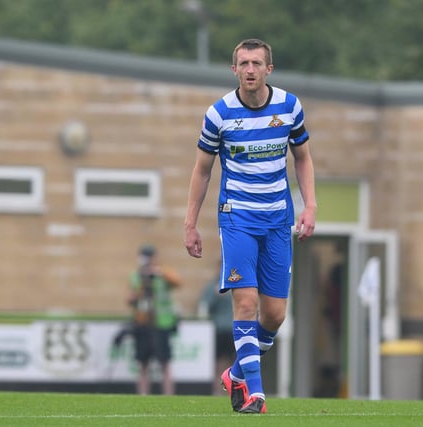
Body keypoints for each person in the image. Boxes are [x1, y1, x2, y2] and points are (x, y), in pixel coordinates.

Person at [184, 38, 316, 414]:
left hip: (278, 218)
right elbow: (202, 171)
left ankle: (236, 373)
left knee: (274, 315)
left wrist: (310, 206)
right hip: (237, 217)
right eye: (243, 63)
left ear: (269, 69)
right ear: (234, 70)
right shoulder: (219, 114)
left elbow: (303, 159)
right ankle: (255, 393)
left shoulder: (289, 107)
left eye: (257, 63)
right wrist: (190, 223)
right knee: (246, 302)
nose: (250, 70)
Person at [127, 244, 181, 395]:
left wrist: (159, 272)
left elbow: (178, 282)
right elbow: (130, 298)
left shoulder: (162, 273)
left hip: (161, 324)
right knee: (143, 364)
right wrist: (141, 288)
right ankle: (143, 395)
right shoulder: (136, 275)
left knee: (165, 363)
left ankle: (169, 396)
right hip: (143, 323)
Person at [197, 262, 236, 395]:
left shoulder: (237, 284)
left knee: (235, 361)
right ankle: (216, 389)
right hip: (218, 329)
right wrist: (215, 296)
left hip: (233, 328)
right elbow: (204, 306)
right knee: (217, 362)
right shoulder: (213, 286)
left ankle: (236, 388)